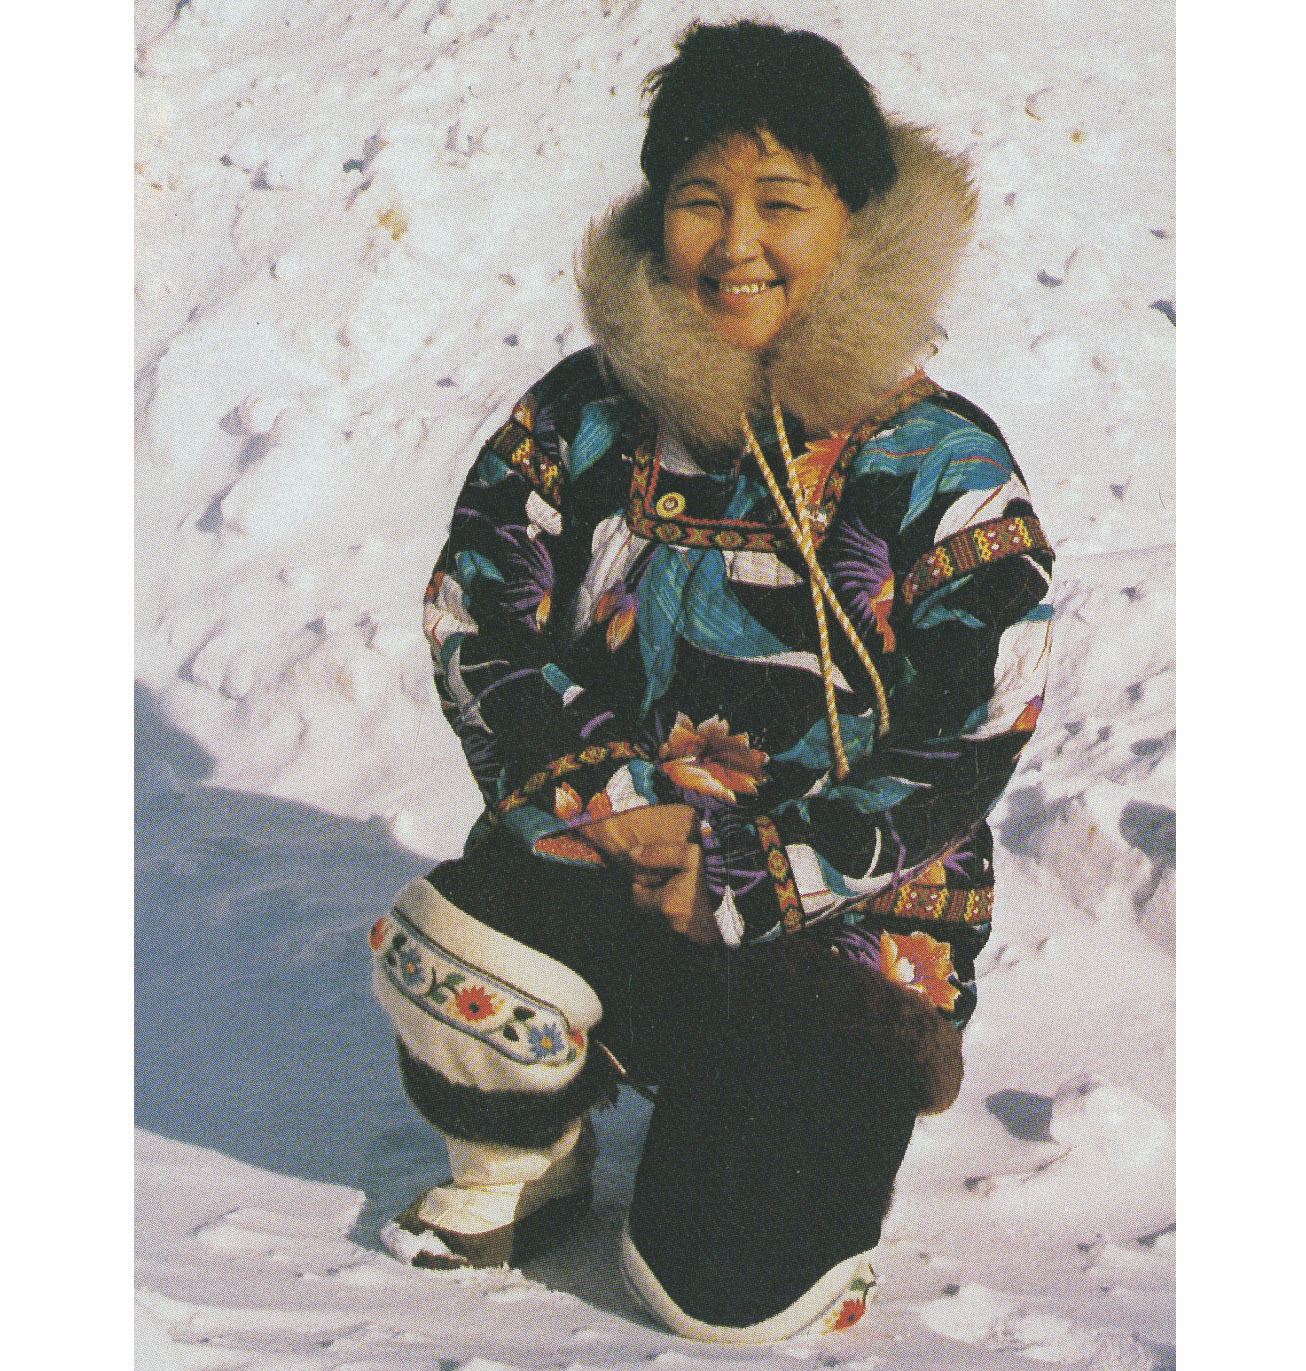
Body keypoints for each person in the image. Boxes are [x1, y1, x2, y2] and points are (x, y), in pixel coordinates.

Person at [368, 18, 1054, 1344]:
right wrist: (611, 801)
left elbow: (976, 723)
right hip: (611, 870)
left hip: (835, 939)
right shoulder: (581, 417)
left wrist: (761, 868)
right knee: (451, 942)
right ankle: (528, 1157)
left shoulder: (941, 464)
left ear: (853, 219)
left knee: (728, 1299)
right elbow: (478, 618)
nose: (737, 245)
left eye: (780, 203)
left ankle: (767, 1136)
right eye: (702, 200)